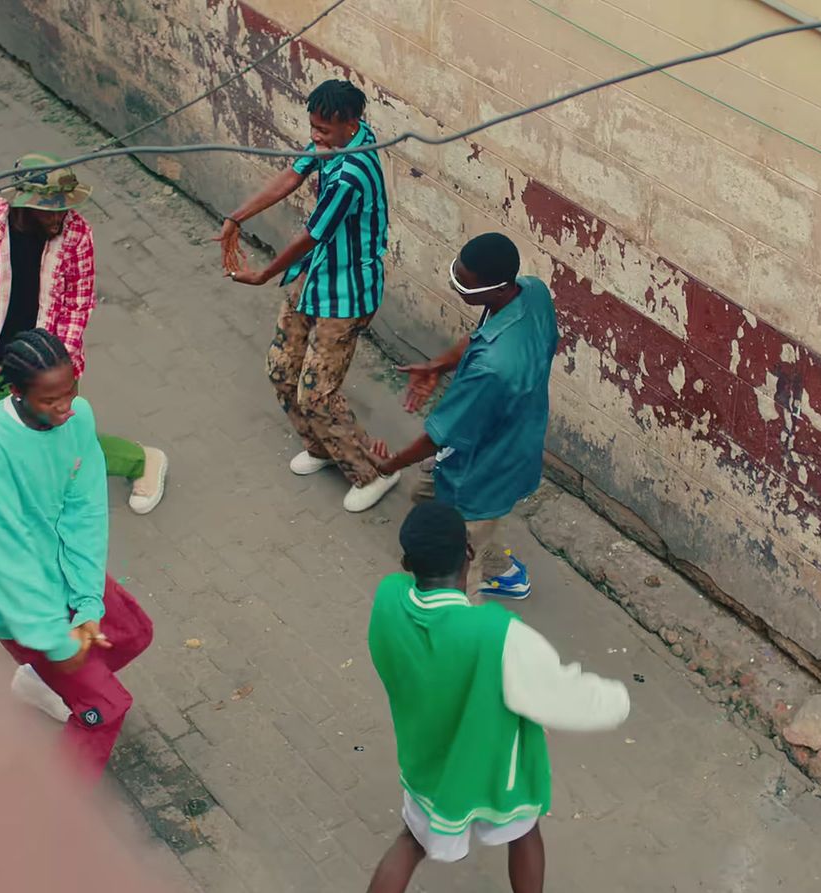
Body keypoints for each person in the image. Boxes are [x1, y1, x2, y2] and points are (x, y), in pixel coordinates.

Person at [365, 502, 630, 893]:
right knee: (524, 833)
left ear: (406, 562)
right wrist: (618, 700)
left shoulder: (388, 598)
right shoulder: (496, 633)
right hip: (497, 771)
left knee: (410, 841)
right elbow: (558, 695)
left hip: (430, 763)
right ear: (469, 553)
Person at [0, 329, 154, 781]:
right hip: (17, 598)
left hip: (63, 569)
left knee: (134, 633)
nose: (65, 407)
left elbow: (85, 511)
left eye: (71, 391)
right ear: (18, 392)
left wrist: (86, 601)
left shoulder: (78, 418)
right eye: (50, 400)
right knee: (105, 708)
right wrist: (53, 640)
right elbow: (3, 555)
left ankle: (41, 681)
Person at [217, 79, 398, 513]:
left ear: (350, 123)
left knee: (316, 392)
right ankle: (321, 447)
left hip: (347, 295)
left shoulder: (352, 173)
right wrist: (236, 218)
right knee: (281, 369)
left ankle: (372, 471)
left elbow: (312, 235)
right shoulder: (335, 138)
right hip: (314, 280)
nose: (315, 136)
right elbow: (291, 174)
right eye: (312, 127)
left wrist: (263, 273)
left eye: (324, 129)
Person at [0, 151, 168, 514]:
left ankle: (142, 461)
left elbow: (76, 307)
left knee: (59, 444)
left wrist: (55, 371)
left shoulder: (78, 235)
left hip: (50, 362)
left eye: (63, 208)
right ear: (22, 204)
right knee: (10, 436)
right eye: (48, 210)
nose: (59, 218)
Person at [374, 233, 559, 599]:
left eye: (464, 283)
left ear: (499, 288)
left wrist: (388, 465)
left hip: (482, 468)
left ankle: (462, 637)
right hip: (512, 443)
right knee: (430, 502)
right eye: (456, 271)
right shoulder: (532, 293)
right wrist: (436, 366)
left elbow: (437, 438)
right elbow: (481, 337)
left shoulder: (492, 369)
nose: (455, 283)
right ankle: (502, 571)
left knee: (460, 562)